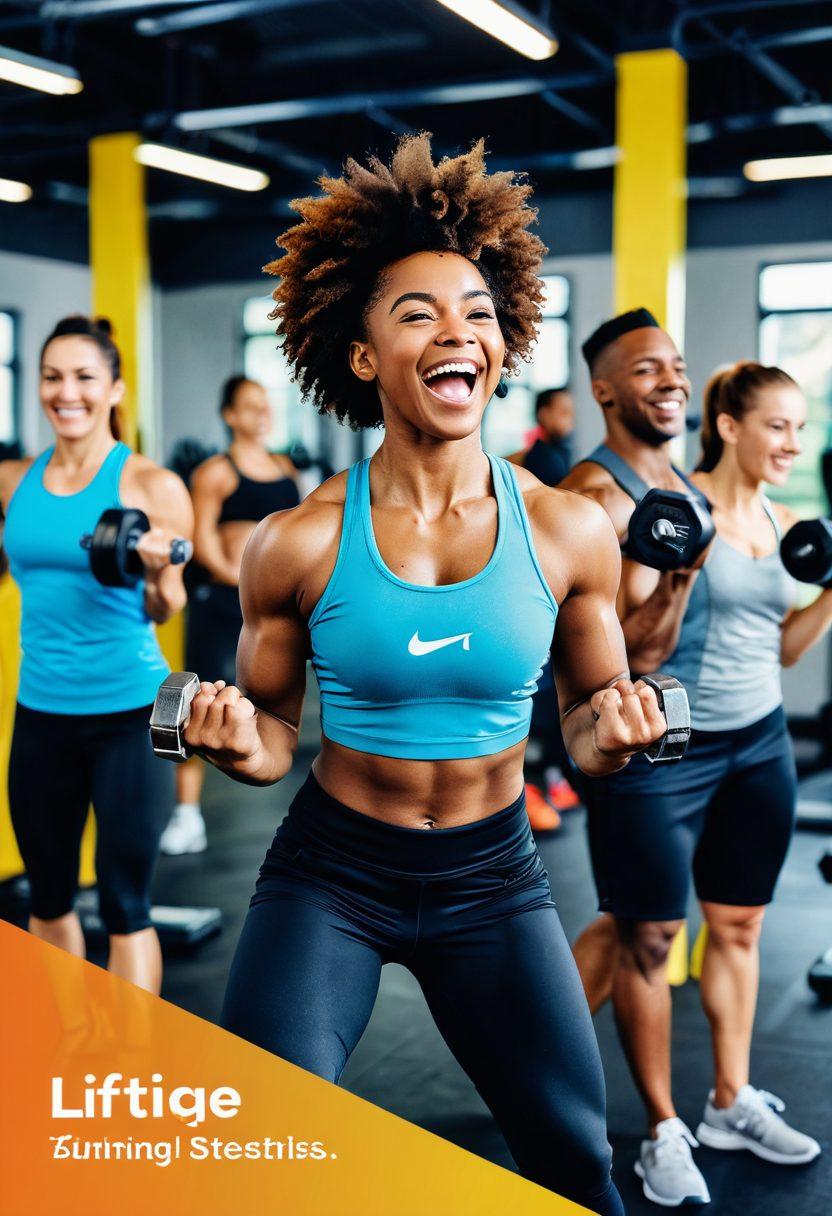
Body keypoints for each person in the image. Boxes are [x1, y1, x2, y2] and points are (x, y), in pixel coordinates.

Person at [169, 136, 686, 1215]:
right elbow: (268, 741)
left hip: (493, 881)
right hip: (331, 877)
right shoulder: (294, 541)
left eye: (478, 313)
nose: (458, 332)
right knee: (258, 1156)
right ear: (360, 357)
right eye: (417, 314)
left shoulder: (567, 530)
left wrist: (621, 728)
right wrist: (226, 733)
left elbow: (587, 728)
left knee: (576, 1164)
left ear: (504, 346)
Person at [572, 350, 826, 1205]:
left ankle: (729, 1099)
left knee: (741, 929)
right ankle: (662, 1128)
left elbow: (783, 651)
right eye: (777, 426)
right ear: (729, 426)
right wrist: (680, 569)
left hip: (760, 745)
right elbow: (635, 637)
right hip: (670, 750)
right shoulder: (675, 513)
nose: (792, 442)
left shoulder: (785, 523)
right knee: (649, 939)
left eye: (799, 428)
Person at [0, 315, 193, 995]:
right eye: (53, 377)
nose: (66, 392)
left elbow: (168, 606)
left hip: (128, 717)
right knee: (46, 897)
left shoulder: (151, 485)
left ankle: (128, 1066)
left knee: (124, 905)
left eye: (84, 377)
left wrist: (152, 572)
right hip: (40, 716)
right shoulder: (12, 482)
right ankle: (66, 1045)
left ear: (114, 388)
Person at [160, 375, 300, 855]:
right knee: (196, 702)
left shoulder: (284, 468)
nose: (261, 415)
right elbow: (200, 541)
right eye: (249, 407)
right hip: (221, 602)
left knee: (277, 699)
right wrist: (245, 585)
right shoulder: (215, 473)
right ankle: (186, 814)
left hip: (276, 608)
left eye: (266, 406)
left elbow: (298, 536)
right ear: (229, 416)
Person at [508, 386, 575, 486]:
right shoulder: (544, 459)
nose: (571, 419)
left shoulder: (560, 453)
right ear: (544, 414)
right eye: (564, 413)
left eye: (571, 413)